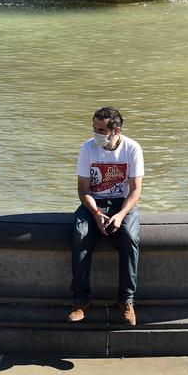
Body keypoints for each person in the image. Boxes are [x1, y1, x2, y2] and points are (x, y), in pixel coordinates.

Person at [67, 105, 144, 326]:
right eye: (94, 128)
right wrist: (97, 214)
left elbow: (136, 190)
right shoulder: (87, 149)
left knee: (129, 237)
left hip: (123, 203)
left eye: (101, 130)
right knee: (80, 235)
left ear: (116, 131)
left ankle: (126, 300)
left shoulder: (132, 149)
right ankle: (81, 301)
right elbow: (83, 189)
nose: (95, 134)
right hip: (94, 202)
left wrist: (120, 216)